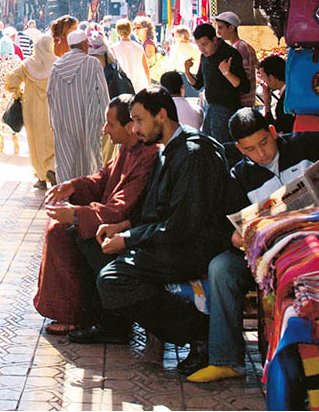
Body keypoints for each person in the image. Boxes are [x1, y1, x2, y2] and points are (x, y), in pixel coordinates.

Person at [72, 88, 232, 378]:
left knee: (113, 280)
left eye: (139, 120)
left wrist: (130, 239)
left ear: (161, 116)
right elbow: (158, 211)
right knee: (92, 246)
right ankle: (141, 326)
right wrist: (123, 227)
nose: (135, 129)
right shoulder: (168, 149)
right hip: (173, 240)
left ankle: (199, 332)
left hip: (195, 247)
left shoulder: (192, 153)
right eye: (132, 121)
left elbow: (182, 226)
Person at [189, 110, 319, 384]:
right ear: (239, 148)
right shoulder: (237, 177)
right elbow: (223, 226)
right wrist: (235, 238)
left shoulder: (303, 145)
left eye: (264, 142)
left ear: (274, 132)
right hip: (268, 255)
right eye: (250, 149)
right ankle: (226, 360)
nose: (261, 153)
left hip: (318, 244)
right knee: (221, 268)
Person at [34, 96, 160, 335]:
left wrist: (77, 215)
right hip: (113, 221)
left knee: (62, 231)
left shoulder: (147, 155)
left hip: (128, 230)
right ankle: (75, 312)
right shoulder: (128, 149)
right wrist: (73, 186)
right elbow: (104, 178)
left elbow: (123, 208)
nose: (105, 130)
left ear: (129, 127)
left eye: (110, 124)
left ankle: (77, 315)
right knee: (59, 228)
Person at [47, 29, 110, 183]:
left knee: (66, 158)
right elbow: (102, 93)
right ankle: (89, 190)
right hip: (89, 120)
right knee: (91, 157)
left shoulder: (57, 66)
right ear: (84, 45)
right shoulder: (93, 63)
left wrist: (53, 121)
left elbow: (50, 95)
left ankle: (66, 193)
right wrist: (106, 119)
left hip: (64, 121)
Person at [6, 35, 58, 189]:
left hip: (31, 109)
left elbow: (12, 80)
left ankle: (41, 177)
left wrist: (17, 93)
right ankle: (52, 169)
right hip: (52, 108)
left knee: (34, 141)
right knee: (52, 140)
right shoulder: (58, 63)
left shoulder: (27, 64)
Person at [185, 23, 250, 145]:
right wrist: (187, 72)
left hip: (226, 106)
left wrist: (227, 73)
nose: (202, 49)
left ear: (214, 40)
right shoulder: (204, 57)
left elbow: (244, 87)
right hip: (211, 106)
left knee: (222, 145)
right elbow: (198, 84)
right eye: (199, 46)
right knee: (208, 144)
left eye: (205, 44)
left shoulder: (229, 54)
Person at [86, 31, 134, 164]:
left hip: (94, 112)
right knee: (107, 149)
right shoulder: (111, 62)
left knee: (95, 150)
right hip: (111, 112)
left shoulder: (88, 64)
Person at [0, 37, 24, 155]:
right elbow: (21, 76)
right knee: (12, 116)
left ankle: (1, 143)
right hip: (12, 94)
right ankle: (15, 141)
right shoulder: (16, 60)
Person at [214, 12, 258, 108]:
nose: (218, 32)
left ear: (231, 28)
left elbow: (242, 78)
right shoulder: (247, 46)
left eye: (221, 28)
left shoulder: (238, 48)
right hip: (249, 99)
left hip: (241, 100)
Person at [257, 55, 294, 134]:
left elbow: (274, 131)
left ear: (271, 77)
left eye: (264, 78)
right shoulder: (292, 90)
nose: (264, 82)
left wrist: (267, 104)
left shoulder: (284, 102)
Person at [111, 19, 148, 92]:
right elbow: (145, 67)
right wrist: (149, 84)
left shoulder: (113, 48)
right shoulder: (139, 47)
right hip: (138, 86)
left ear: (117, 31)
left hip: (121, 86)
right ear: (130, 30)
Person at [131, 16, 159, 83]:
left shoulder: (149, 44)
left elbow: (150, 62)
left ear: (146, 29)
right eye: (134, 28)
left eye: (138, 28)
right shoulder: (144, 43)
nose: (136, 31)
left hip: (151, 79)